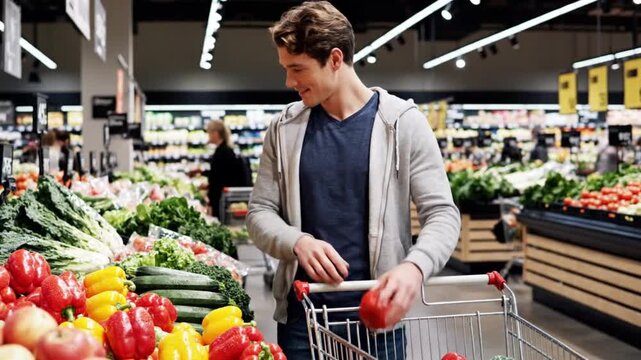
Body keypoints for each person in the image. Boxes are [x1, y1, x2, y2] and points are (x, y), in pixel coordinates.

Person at [246, 2, 460, 358]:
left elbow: (442, 213)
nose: (289, 82)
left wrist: (415, 267)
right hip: (303, 320)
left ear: (334, 59)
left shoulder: (403, 124)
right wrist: (296, 242)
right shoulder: (283, 129)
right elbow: (259, 212)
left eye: (297, 68)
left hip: (379, 322)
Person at [204, 119, 252, 218]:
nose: (208, 136)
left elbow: (218, 179)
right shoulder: (227, 150)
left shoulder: (222, 152)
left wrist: (211, 202)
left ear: (215, 133)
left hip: (224, 200)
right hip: (227, 199)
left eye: (209, 133)